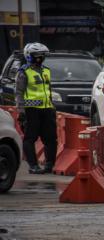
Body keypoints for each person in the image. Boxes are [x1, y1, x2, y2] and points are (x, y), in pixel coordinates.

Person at [15, 43, 57, 174]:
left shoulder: (46, 70)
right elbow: (19, 93)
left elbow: (48, 90)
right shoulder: (24, 72)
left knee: (50, 138)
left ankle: (49, 165)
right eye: (37, 56)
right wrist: (21, 111)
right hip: (31, 110)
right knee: (30, 138)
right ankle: (33, 165)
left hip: (47, 109)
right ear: (29, 56)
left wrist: (52, 107)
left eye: (42, 56)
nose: (40, 58)